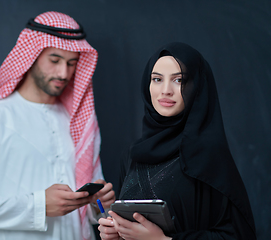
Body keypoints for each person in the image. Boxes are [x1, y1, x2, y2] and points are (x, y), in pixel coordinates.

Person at [0, 11, 115, 240]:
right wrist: (39, 205)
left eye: (72, 63)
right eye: (55, 60)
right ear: (31, 55)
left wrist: (99, 203)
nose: (64, 73)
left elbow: (92, 211)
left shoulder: (81, 121)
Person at [98, 42, 256, 240]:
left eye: (178, 80)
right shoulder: (133, 155)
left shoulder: (208, 155)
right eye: (157, 79)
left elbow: (239, 236)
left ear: (197, 87)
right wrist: (116, 233)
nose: (166, 90)